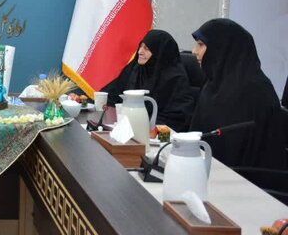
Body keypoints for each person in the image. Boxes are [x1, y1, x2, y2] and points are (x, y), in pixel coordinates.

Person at [189, 18, 286, 169]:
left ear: (221, 48)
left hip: (244, 179)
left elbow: (239, 153)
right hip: (205, 169)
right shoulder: (214, 84)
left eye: (201, 45)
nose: (194, 51)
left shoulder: (254, 91)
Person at [103, 29, 195, 131]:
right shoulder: (135, 69)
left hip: (156, 134)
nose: (140, 52)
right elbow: (113, 94)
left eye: (146, 49)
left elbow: (177, 117)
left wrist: (144, 126)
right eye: (141, 46)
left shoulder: (175, 79)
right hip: (125, 129)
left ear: (159, 53)